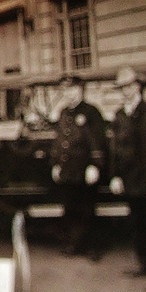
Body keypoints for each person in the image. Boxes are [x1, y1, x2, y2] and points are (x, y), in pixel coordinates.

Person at [108, 65, 146, 279]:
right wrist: (115, 175)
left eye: (129, 86)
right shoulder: (119, 115)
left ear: (138, 86)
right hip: (129, 178)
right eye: (122, 87)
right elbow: (115, 149)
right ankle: (144, 265)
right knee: (137, 223)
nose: (126, 91)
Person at [49, 74, 107, 259]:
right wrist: (56, 164)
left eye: (73, 89)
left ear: (81, 90)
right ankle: (74, 244)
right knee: (70, 208)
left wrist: (94, 165)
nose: (70, 94)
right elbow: (60, 142)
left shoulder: (91, 112)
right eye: (66, 90)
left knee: (88, 209)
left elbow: (98, 142)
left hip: (84, 168)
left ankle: (93, 248)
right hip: (68, 168)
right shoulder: (64, 112)